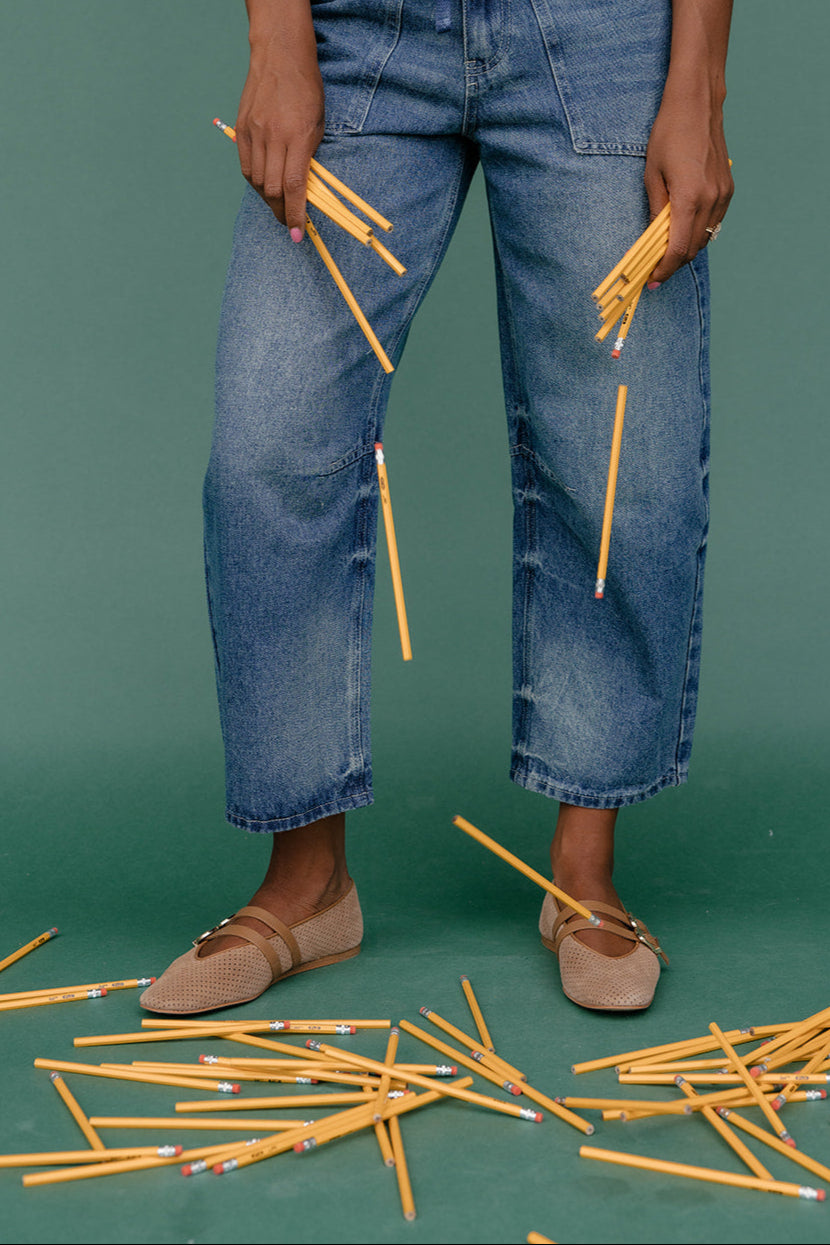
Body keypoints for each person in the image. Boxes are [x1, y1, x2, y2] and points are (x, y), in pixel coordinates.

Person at [141, 0, 733, 1015]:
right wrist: (276, 39)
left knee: (619, 458)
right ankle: (309, 886)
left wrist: (699, 83)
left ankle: (581, 876)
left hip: (599, 34)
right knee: (271, 441)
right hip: (361, 28)